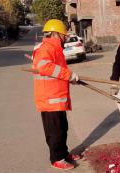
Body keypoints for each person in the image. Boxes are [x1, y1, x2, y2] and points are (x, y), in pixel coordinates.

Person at [32, 19, 80, 170]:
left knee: (62, 128)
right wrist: (68, 74)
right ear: (55, 34)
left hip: (57, 98)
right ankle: (56, 159)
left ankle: (63, 153)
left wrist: (70, 78)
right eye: (63, 35)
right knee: (55, 132)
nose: (65, 38)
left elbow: (56, 73)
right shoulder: (47, 48)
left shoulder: (55, 49)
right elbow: (44, 66)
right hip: (49, 100)